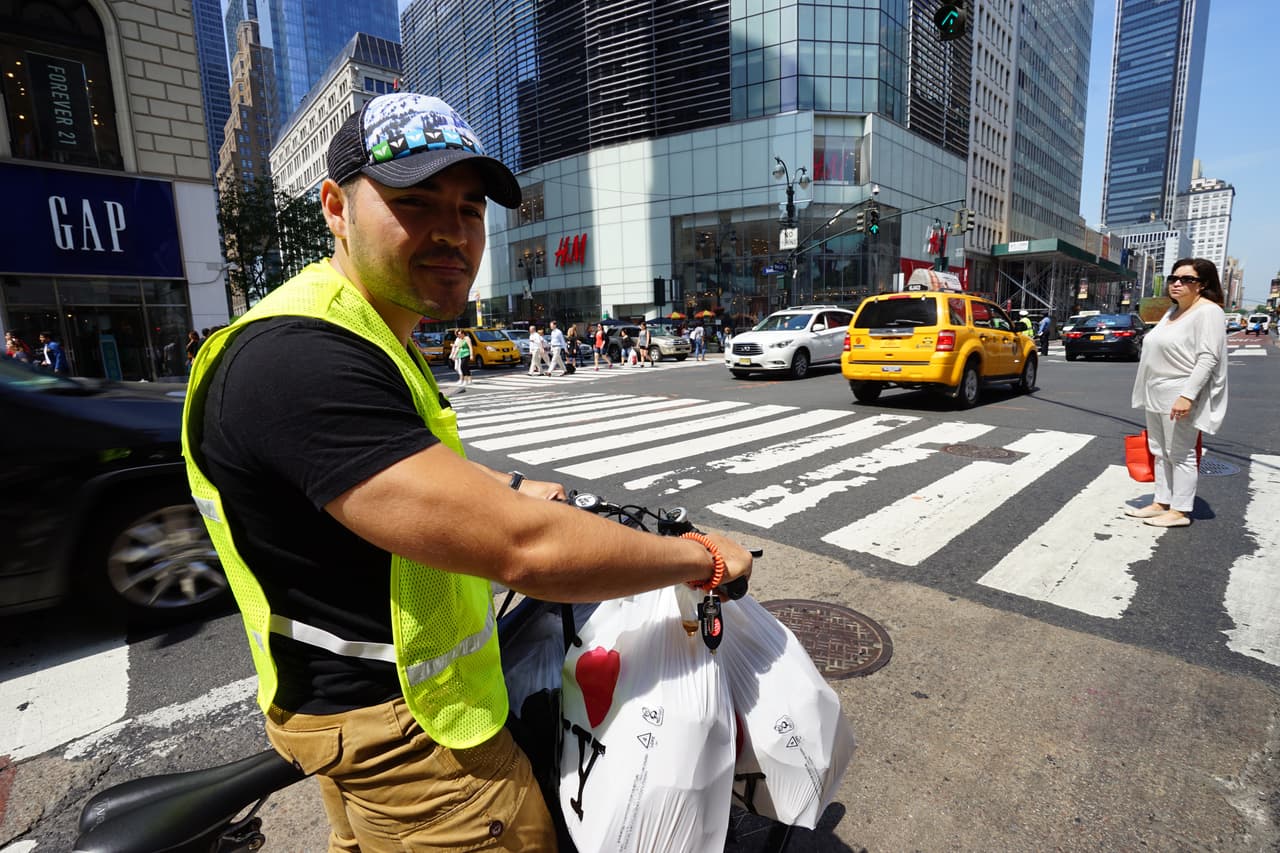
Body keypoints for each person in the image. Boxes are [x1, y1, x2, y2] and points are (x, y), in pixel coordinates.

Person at [182, 92, 752, 852]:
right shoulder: (299, 357)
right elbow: (527, 551)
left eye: (470, 207)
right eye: (415, 201)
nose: (452, 231)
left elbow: (395, 476)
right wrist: (701, 557)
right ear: (334, 207)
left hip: (347, 717)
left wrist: (507, 486)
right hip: (418, 743)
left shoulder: (365, 331)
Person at [1125, 257, 1228, 528]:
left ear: (1203, 285)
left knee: (1180, 452)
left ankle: (1180, 510)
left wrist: (1188, 395)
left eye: (1187, 279)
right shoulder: (1172, 313)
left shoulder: (1208, 312)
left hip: (1179, 390)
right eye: (1174, 279)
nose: (1177, 283)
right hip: (1156, 390)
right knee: (1159, 450)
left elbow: (1208, 358)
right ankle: (1162, 501)